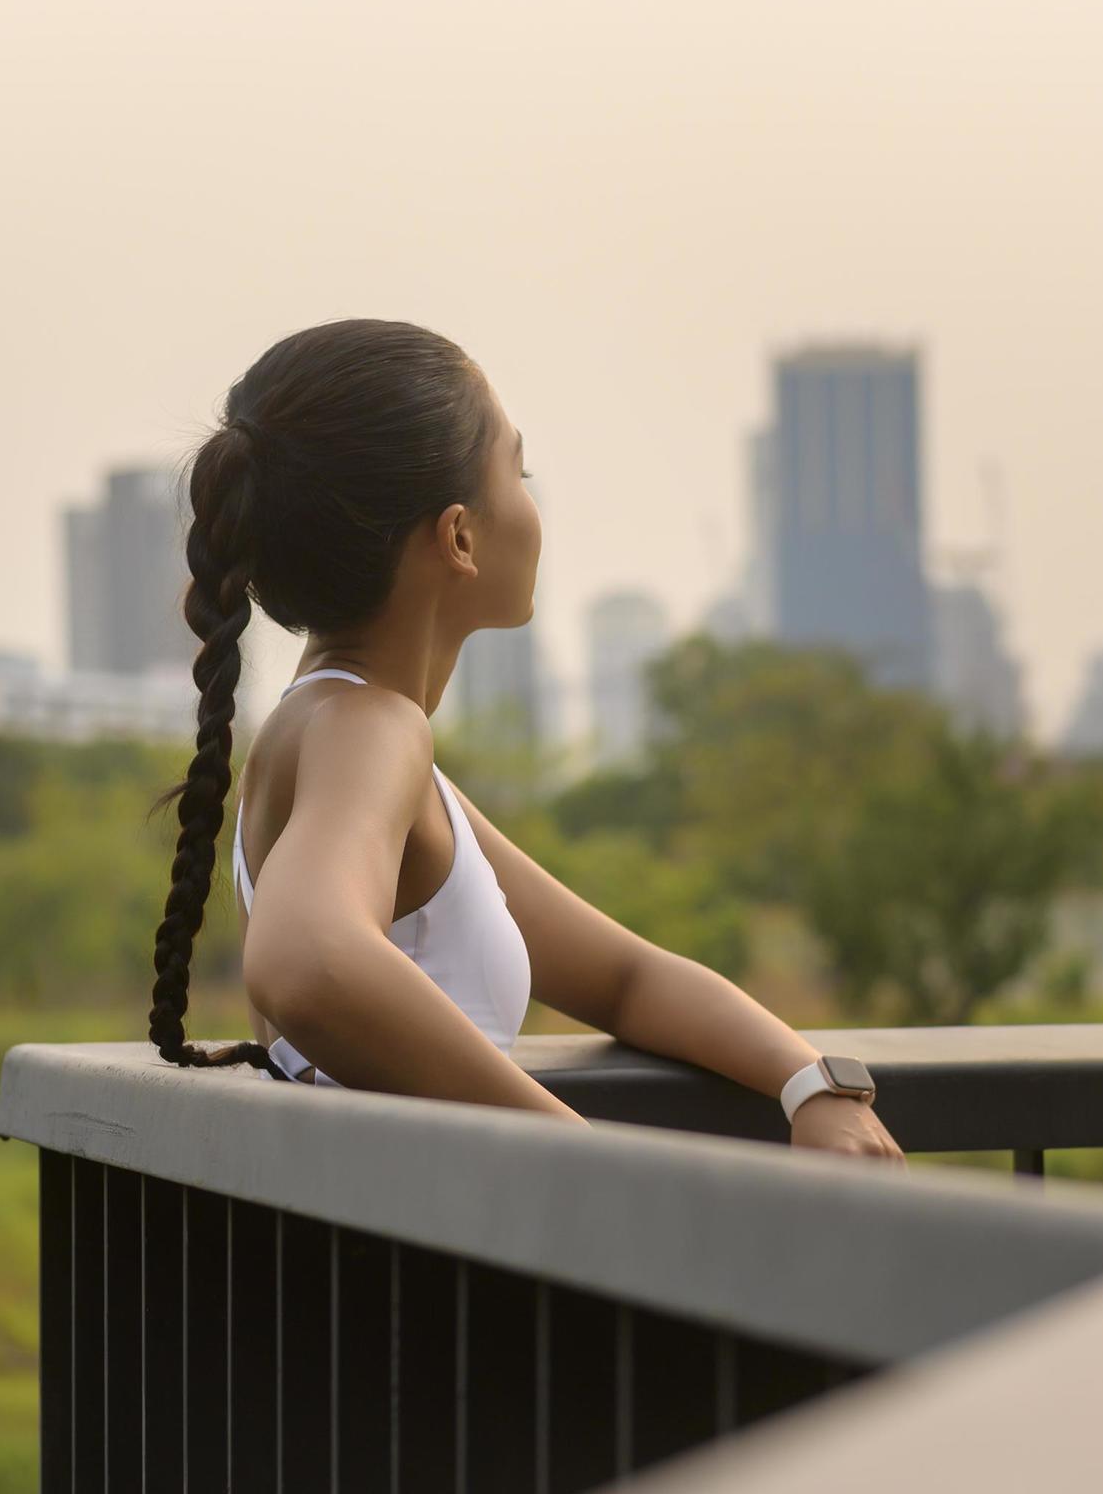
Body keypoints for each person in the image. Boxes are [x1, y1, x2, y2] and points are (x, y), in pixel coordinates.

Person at [145, 318, 902, 1163]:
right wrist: (584, 1164)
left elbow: (627, 979)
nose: (534, 505)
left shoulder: (342, 730)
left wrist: (810, 1083)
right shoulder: (369, 731)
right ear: (461, 536)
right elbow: (303, 961)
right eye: (521, 469)